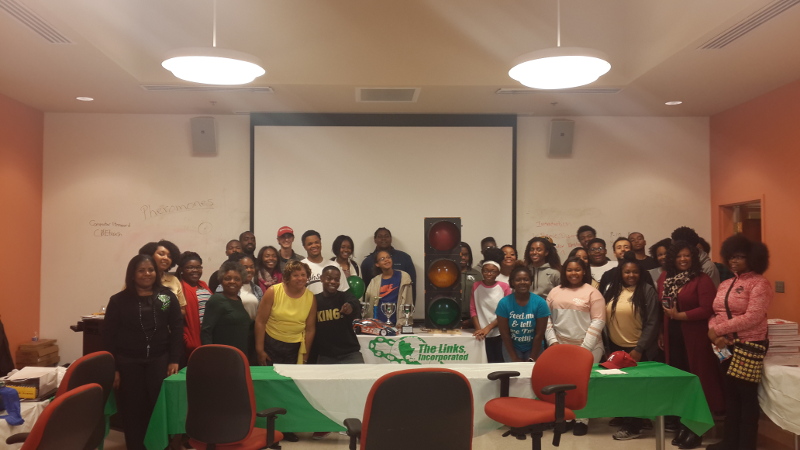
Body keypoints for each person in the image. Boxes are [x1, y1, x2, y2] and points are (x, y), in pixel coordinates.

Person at [103, 254, 182, 450]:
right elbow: (108, 337)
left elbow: (177, 329)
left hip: (160, 360)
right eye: (141, 270)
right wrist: (113, 368)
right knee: (132, 409)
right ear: (132, 274)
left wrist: (174, 359)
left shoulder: (165, 297)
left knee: (157, 407)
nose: (147, 274)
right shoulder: (118, 301)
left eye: (150, 270)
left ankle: (159, 445)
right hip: (127, 363)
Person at [706, 235, 772, 450]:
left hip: (749, 344)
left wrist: (718, 330)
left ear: (752, 258)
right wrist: (714, 332)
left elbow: (753, 316)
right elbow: (716, 312)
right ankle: (730, 441)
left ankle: (746, 444)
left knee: (746, 397)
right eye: (732, 257)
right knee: (731, 395)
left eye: (740, 257)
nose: (734, 261)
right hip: (725, 346)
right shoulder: (726, 283)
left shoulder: (760, 284)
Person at [658, 240, 724, 449]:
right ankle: (683, 425)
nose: (683, 259)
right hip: (673, 337)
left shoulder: (701, 279)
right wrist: (662, 330)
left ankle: (696, 429)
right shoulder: (664, 278)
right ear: (672, 259)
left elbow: (707, 309)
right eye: (679, 256)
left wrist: (680, 315)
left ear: (693, 258)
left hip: (696, 338)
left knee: (698, 382)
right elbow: (664, 308)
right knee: (679, 383)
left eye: (687, 256)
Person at [544, 256, 606, 437]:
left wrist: (584, 349)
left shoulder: (593, 293)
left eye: (577, 270)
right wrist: (553, 343)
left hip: (588, 348)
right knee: (563, 384)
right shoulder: (555, 292)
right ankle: (567, 418)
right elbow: (547, 319)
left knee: (583, 384)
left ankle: (582, 419)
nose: (573, 273)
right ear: (564, 272)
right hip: (561, 347)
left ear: (584, 272)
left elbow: (598, 321)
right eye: (570, 270)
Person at [603, 252, 660, 440]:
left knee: (635, 388)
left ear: (640, 273)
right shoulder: (613, 288)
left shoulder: (646, 290)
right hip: (615, 346)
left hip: (637, 348)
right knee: (622, 386)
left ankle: (633, 427)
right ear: (621, 273)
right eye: (627, 272)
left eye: (634, 272)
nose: (631, 275)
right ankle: (630, 418)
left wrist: (639, 348)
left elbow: (652, 321)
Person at [255, 260, 317, 365]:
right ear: (287, 278)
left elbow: (310, 330)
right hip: (271, 344)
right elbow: (260, 322)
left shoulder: (311, 297)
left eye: (303, 275)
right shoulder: (273, 292)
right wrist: (260, 350)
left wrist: (305, 357)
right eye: (295, 275)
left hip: (295, 348)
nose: (300, 278)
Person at [496, 266, 550, 362]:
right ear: (512, 282)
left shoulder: (540, 303)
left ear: (530, 282)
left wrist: (532, 358)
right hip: (511, 347)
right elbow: (505, 334)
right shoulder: (504, 303)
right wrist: (514, 357)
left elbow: (539, 334)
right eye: (518, 280)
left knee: (532, 375)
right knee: (513, 375)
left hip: (534, 347)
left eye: (526, 279)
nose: (522, 282)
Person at [310, 266, 363, 364]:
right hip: (325, 356)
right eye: (329, 278)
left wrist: (350, 307)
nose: (333, 282)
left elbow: (355, 303)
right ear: (321, 279)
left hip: (350, 354)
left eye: (336, 279)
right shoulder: (315, 300)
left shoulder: (344, 296)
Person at [201, 261, 253, 358]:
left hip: (239, 355)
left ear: (242, 282)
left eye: (237, 279)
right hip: (222, 356)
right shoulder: (217, 300)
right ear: (221, 281)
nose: (232, 281)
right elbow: (206, 331)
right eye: (227, 278)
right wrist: (209, 355)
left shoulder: (238, 300)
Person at [471, 259, 511, 363]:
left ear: (498, 273)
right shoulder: (476, 286)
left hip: (499, 332)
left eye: (493, 271)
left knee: (498, 361)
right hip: (481, 334)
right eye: (485, 271)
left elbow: (506, 312)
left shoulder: (504, 287)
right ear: (482, 271)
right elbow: (473, 309)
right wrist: (479, 330)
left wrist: (488, 328)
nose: (489, 274)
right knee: (484, 362)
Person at [361, 228, 417, 303]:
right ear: (375, 240)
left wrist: (409, 309)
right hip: (376, 307)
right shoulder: (367, 262)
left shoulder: (404, 258)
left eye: (386, 236)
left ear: (391, 239)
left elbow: (411, 287)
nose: (383, 239)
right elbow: (365, 290)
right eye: (380, 236)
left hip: (400, 307)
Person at [176, 251, 212, 360]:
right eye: (190, 267)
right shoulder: (179, 288)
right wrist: (186, 339)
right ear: (181, 269)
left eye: (198, 267)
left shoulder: (203, 284)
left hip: (207, 338)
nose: (195, 270)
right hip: (191, 342)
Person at [364, 250, 414, 328]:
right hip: (378, 325)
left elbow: (408, 300)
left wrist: (402, 322)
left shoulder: (404, 277)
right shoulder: (374, 281)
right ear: (377, 264)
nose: (386, 260)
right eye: (382, 259)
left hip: (398, 325)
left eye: (388, 257)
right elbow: (369, 303)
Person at [138, 240, 187, 314]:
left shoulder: (173, 280)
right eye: (161, 254)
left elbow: (182, 310)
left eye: (169, 256)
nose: (166, 258)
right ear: (150, 256)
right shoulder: (139, 279)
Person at [301, 230, 347, 295]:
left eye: (316, 242)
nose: (314, 245)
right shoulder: (300, 267)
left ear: (320, 243)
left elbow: (343, 291)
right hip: (308, 304)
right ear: (304, 247)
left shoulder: (334, 266)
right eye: (310, 244)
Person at [220, 253, 263, 321]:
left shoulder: (257, 289)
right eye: (245, 267)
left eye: (252, 267)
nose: (249, 270)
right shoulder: (227, 286)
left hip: (252, 328)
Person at [459, 242, 482, 325]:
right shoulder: (448, 275)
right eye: (460, 255)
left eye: (466, 255)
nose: (463, 258)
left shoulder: (477, 275)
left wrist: (471, 321)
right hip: (451, 317)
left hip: (473, 320)